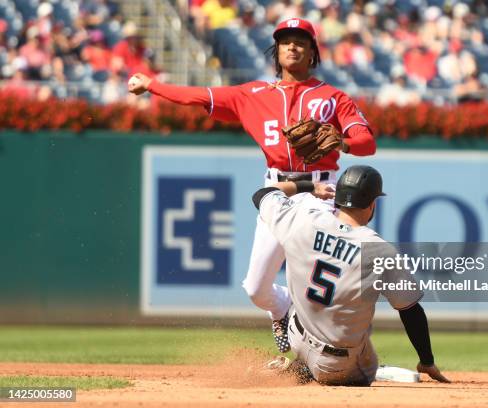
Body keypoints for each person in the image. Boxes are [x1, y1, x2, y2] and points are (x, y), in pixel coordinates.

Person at [127, 18, 376, 353]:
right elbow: (198, 96)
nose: (292, 46)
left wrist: (343, 144)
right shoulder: (252, 95)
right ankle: (282, 311)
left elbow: (366, 141)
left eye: (300, 41)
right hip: (278, 193)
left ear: (313, 52)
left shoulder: (333, 97)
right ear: (276, 51)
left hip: (321, 195)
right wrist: (152, 85)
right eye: (285, 41)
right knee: (256, 288)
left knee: (315, 282)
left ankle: (332, 350)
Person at [252, 165, 450, 386]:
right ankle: (311, 369)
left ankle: (301, 366)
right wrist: (426, 361)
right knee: (367, 368)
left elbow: (262, 194)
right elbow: (410, 311)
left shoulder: (303, 219)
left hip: (296, 335)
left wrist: (309, 186)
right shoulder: (378, 250)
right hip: (335, 365)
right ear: (372, 204)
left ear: (338, 197)